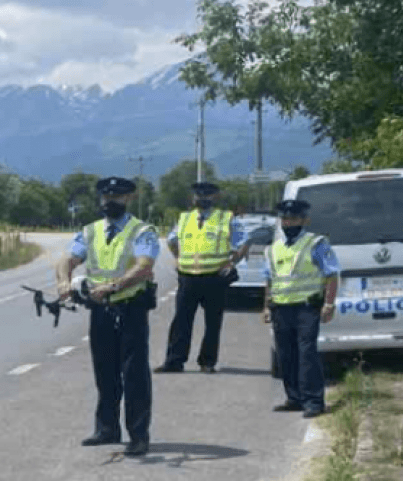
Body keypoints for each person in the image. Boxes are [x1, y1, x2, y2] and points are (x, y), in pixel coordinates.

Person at [55, 176, 160, 456]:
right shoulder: (90, 231)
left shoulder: (141, 231)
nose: (109, 202)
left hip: (130, 308)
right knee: (105, 371)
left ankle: (138, 435)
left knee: (134, 373)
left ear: (128, 199)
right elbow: (68, 259)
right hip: (100, 311)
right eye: (105, 197)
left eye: (116, 198)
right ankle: (107, 429)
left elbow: (144, 267)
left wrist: (113, 286)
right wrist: (64, 282)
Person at [154, 182, 250, 374]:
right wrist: (178, 258)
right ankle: (174, 361)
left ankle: (207, 362)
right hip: (188, 278)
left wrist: (232, 262)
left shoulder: (226, 218)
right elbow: (172, 240)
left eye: (206, 195)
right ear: (193, 198)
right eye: (198, 195)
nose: (201, 199)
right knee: (181, 321)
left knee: (213, 322)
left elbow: (244, 241)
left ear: (215, 197)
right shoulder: (184, 218)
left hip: (214, 278)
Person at [263, 199, 340, 418]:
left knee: (306, 354)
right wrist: (266, 307)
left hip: (307, 307)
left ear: (305, 220)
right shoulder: (273, 248)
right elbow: (269, 280)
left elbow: (331, 274)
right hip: (281, 309)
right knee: (285, 355)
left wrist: (329, 304)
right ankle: (294, 398)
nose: (288, 223)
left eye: (294, 218)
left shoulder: (316, 243)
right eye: (285, 219)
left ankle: (314, 401)